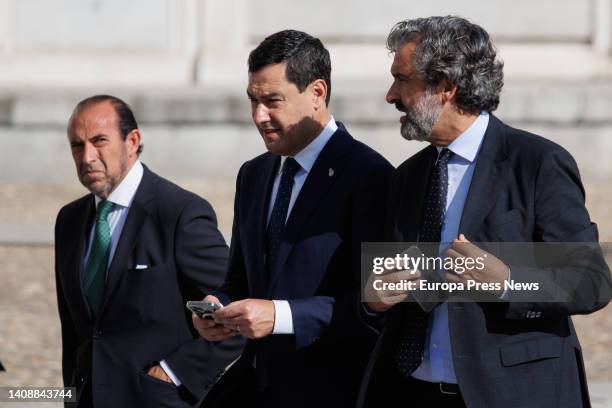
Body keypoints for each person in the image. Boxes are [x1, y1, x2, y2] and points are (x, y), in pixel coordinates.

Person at [360, 16, 612, 408]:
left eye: (402, 79)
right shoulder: (408, 177)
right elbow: (390, 285)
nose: (391, 95)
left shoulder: (537, 163)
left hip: (509, 395)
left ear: (446, 86)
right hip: (410, 391)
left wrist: (509, 281)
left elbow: (590, 280)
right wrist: (373, 300)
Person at [192, 30, 393, 408]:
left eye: (272, 101)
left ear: (317, 93)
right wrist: (217, 307)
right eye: (252, 101)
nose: (258, 116)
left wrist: (280, 316)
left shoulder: (370, 176)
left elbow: (374, 305)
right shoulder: (253, 174)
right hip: (255, 385)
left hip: (331, 391)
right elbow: (241, 277)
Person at [54, 95, 243, 407]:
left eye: (99, 141)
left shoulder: (180, 213)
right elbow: (74, 332)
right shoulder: (69, 220)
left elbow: (239, 311)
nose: (87, 156)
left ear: (133, 141)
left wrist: (173, 373)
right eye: (77, 145)